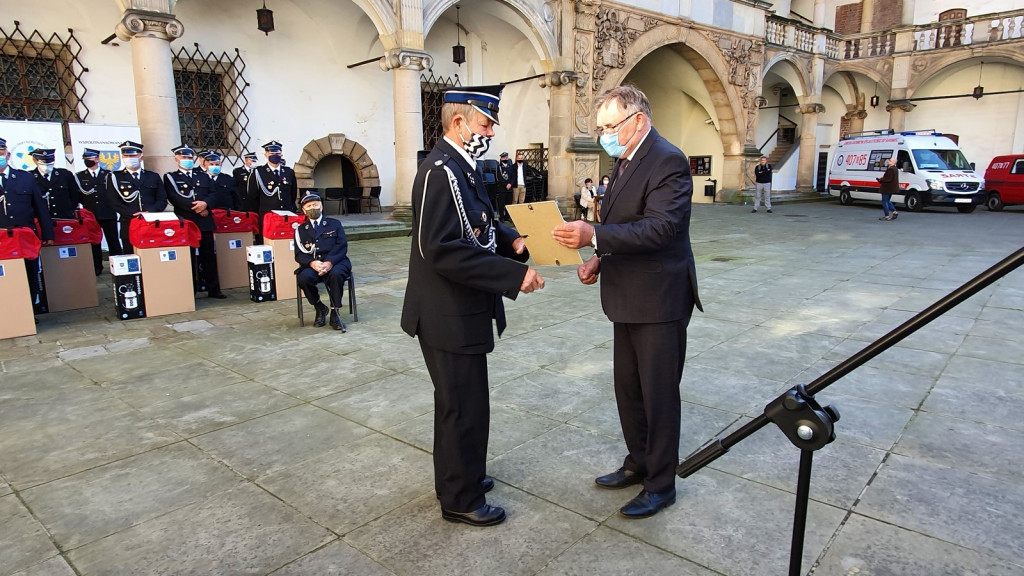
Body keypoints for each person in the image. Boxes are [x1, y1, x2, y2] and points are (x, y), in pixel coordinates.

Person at [552, 85, 702, 519]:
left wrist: (594, 235)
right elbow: (623, 223)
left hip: (659, 299)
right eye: (600, 128)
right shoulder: (624, 161)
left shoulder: (668, 160)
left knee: (658, 394)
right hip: (626, 296)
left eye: (609, 126)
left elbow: (660, 229)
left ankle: (661, 484)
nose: (604, 135)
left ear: (637, 120)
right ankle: (639, 462)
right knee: (629, 390)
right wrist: (599, 258)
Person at [401, 84, 544, 527]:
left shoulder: (463, 167)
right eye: (486, 123)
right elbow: (440, 248)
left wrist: (513, 241)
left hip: (463, 310)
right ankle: (459, 498)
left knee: (470, 402)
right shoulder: (439, 171)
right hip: (446, 313)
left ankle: (465, 474)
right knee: (460, 406)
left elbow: (481, 222)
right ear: (459, 123)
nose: (492, 131)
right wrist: (512, 275)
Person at [164, 144, 225, 299]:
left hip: (205, 221)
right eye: (184, 157)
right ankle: (191, 289)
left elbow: (214, 193)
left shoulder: (203, 175)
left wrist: (206, 204)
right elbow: (174, 198)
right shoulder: (171, 177)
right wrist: (197, 207)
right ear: (176, 159)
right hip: (187, 222)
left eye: (189, 157)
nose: (187, 160)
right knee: (188, 257)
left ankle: (213, 289)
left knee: (209, 257)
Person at [0, 137, 55, 310]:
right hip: (1, 239)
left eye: (1, 152)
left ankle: (29, 310)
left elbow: (40, 207)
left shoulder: (26, 178)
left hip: (25, 236)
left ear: (7, 155)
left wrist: (48, 234)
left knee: (30, 273)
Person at [294, 192, 352, 331]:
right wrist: (313, 263)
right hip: (313, 264)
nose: (313, 207)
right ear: (304, 210)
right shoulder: (301, 230)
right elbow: (299, 254)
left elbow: (341, 246)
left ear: (321, 206)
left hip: (336, 261)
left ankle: (335, 311)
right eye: (309, 206)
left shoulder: (334, 224)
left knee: (336, 274)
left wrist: (329, 262)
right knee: (304, 278)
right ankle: (319, 307)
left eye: (315, 204)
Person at [105, 141, 166, 253]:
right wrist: (133, 214)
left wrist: (149, 212)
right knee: (131, 257)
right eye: (126, 155)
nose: (129, 158)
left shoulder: (153, 176)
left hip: (151, 222)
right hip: (128, 222)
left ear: (140, 156)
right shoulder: (114, 177)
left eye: (132, 155)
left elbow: (162, 200)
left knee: (152, 255)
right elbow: (113, 201)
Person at [75, 148, 121, 275]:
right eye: (85, 159)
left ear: (97, 159)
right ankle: (96, 267)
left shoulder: (108, 175)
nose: (87, 161)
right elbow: (78, 196)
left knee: (113, 242)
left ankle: (117, 266)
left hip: (108, 212)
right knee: (94, 243)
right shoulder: (79, 176)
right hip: (91, 215)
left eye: (89, 158)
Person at [246, 141, 298, 241]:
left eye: (277, 153)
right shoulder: (258, 172)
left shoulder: (288, 172)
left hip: (286, 216)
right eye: (272, 153)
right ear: (266, 155)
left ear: (281, 154)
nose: (275, 156)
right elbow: (252, 196)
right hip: (267, 217)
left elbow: (293, 194)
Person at [31, 149, 80, 220]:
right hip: (41, 220)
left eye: (49, 162)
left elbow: (74, 196)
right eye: (43, 162)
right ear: (35, 161)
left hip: (65, 218)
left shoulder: (65, 175)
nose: (46, 166)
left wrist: (69, 211)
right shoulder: (30, 177)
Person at [877, 156, 899, 221]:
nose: (888, 161)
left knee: (885, 202)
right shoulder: (895, 169)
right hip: (891, 188)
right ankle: (894, 212)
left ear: (893, 162)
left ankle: (887, 216)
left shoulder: (891, 169)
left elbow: (888, 179)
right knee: (888, 201)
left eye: (890, 160)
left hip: (886, 188)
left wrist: (880, 179)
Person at [497, 151, 514, 219]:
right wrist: (506, 185)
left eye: (506, 157)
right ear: (501, 159)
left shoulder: (510, 167)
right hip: (502, 189)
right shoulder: (499, 167)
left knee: (508, 203)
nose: (505, 159)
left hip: (509, 189)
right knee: (501, 204)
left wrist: (510, 184)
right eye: (503, 158)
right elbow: (499, 177)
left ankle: (507, 217)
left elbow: (513, 176)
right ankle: (501, 217)